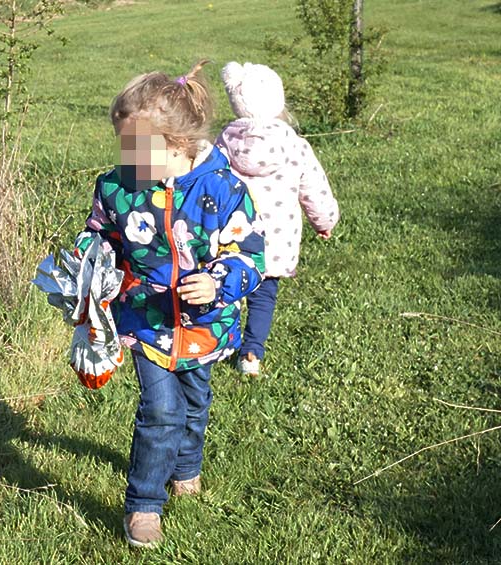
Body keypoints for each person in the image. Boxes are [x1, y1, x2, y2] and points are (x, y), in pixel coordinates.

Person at [73, 60, 265, 548]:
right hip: (146, 321)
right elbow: (101, 235)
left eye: (136, 148)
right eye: (122, 144)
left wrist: (219, 281)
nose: (125, 156)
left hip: (205, 324)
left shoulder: (222, 190)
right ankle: (143, 504)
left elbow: (249, 252)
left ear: (177, 147)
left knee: (195, 405)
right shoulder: (116, 188)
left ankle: (186, 463)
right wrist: (90, 263)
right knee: (160, 412)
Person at [215, 61, 340, 376]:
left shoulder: (225, 142)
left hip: (230, 234)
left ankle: (222, 343)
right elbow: (314, 189)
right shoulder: (295, 146)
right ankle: (252, 354)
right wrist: (324, 222)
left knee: (226, 288)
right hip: (274, 239)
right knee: (263, 295)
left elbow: (209, 180)